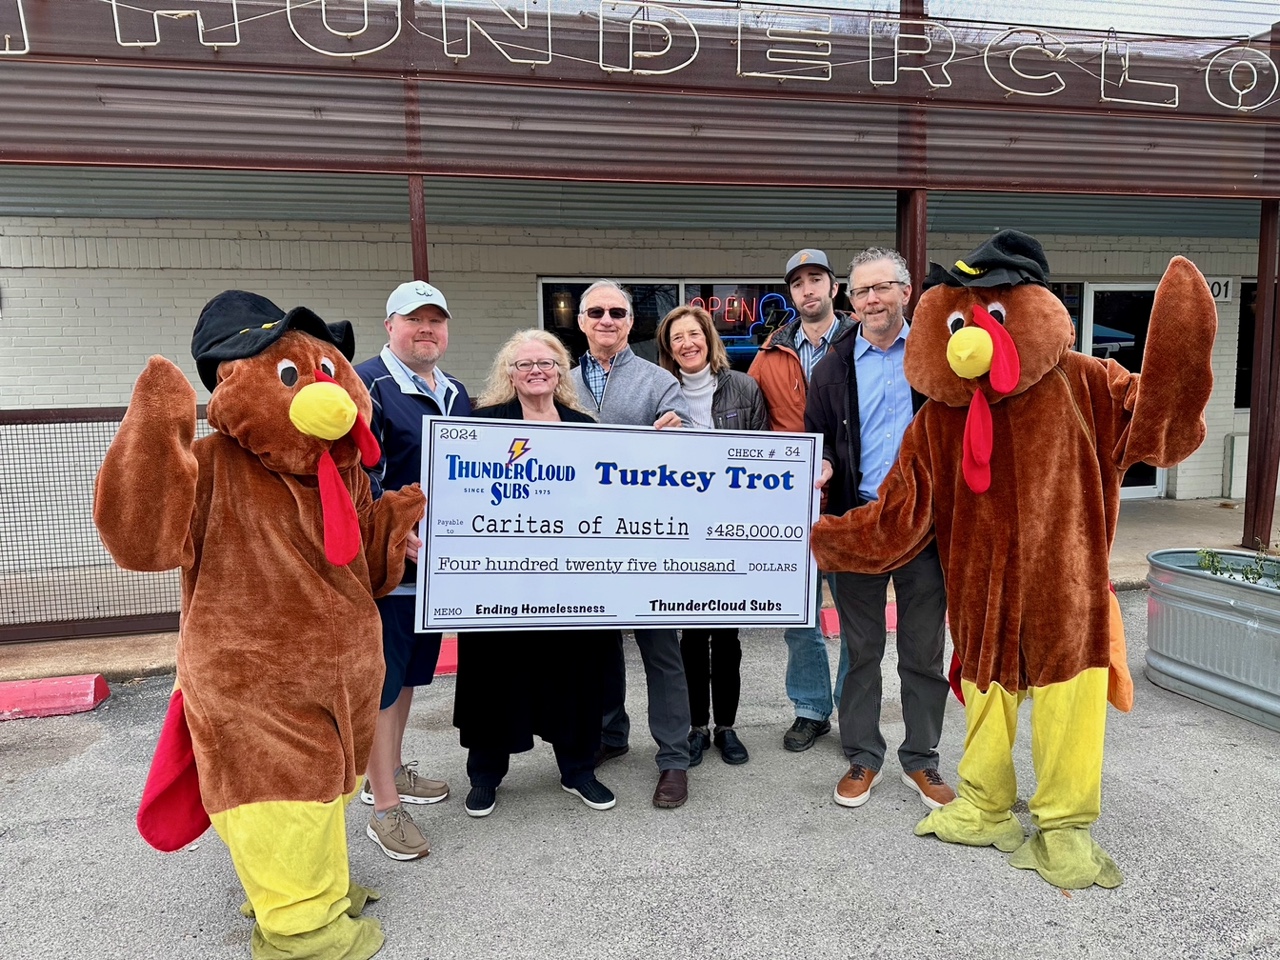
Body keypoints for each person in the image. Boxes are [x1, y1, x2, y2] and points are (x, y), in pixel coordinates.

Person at [805, 247, 952, 809]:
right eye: (862, 290)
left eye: (882, 288)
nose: (871, 299)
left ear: (905, 292)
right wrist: (821, 469)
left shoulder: (938, 357)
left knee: (922, 651)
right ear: (851, 298)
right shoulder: (832, 366)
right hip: (860, 524)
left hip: (926, 528)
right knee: (860, 652)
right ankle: (863, 757)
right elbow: (819, 442)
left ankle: (923, 760)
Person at [453, 330, 618, 817]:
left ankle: (578, 769)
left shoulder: (584, 427)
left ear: (561, 371)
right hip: (500, 579)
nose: (536, 371)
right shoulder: (481, 425)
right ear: (509, 373)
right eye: (523, 364)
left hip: (569, 579)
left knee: (575, 672)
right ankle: (485, 775)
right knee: (494, 672)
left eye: (546, 362)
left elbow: (608, 498)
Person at [355, 279, 472, 860]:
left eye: (436, 321)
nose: (426, 330)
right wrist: (393, 536)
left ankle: (395, 770)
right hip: (391, 569)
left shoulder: (455, 392)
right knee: (383, 683)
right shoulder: (367, 385)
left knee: (405, 681)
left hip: (438, 570)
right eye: (414, 320)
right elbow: (357, 477)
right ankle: (383, 808)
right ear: (390, 326)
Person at [571, 278, 695, 809]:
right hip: (582, 541)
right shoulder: (560, 381)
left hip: (647, 539)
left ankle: (673, 759)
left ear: (630, 322)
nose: (607, 319)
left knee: (661, 650)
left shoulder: (656, 379)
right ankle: (610, 736)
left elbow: (685, 428)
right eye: (596, 311)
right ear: (581, 321)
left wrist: (678, 430)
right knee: (598, 649)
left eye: (617, 312)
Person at [655, 304, 769, 766]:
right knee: (691, 633)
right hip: (681, 533)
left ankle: (727, 726)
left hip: (731, 531)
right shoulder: (662, 395)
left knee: (726, 635)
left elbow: (765, 456)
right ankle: (695, 726)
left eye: (693, 334)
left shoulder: (744, 387)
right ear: (668, 349)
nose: (687, 343)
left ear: (709, 339)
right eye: (676, 338)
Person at [748, 249, 851, 753]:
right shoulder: (769, 356)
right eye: (798, 283)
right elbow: (751, 424)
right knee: (799, 617)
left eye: (817, 279)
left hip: (853, 500)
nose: (808, 290)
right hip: (794, 505)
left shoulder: (864, 343)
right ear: (790, 294)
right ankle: (811, 709)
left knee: (858, 617)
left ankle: (854, 707)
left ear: (834, 287)